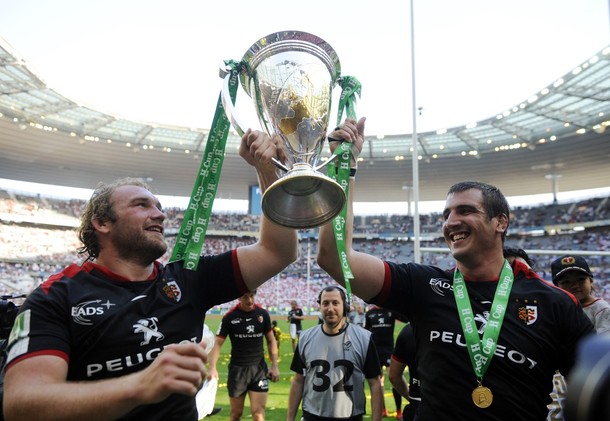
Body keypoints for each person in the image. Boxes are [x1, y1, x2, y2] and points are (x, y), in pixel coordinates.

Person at [2, 129, 298, 421]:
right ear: (102, 222)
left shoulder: (189, 279)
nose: (160, 214)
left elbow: (277, 252)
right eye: (141, 205)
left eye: (158, 207)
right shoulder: (55, 297)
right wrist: (140, 386)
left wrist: (267, 173)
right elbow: (21, 404)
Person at [316, 117, 595, 420]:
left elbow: (595, 391)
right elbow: (335, 258)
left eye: (465, 211)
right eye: (446, 214)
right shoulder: (424, 286)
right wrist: (342, 169)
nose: (451, 222)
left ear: (500, 222)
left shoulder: (555, 303)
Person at [287, 286, 383, 421]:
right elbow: (298, 380)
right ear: (320, 307)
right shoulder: (305, 338)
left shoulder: (364, 339)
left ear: (345, 306)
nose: (330, 308)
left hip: (350, 416)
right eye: (325, 303)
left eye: (335, 303)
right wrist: (290, 418)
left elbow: (375, 384)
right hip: (312, 415)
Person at [208, 290, 279, 421]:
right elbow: (217, 343)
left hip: (259, 370)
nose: (250, 300)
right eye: (245, 297)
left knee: (258, 414)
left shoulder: (262, 314)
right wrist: (212, 367)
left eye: (252, 296)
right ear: (239, 298)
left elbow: (271, 340)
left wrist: (274, 365)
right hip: (238, 371)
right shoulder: (230, 317)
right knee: (236, 414)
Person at [551, 255, 610, 334]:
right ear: (557, 287)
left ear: (591, 281)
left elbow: (604, 340)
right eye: (566, 282)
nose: (574, 286)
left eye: (580, 279)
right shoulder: (555, 310)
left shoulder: (602, 309)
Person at [364, 305, 405, 419]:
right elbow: (366, 332)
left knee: (395, 379)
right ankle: (383, 410)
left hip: (389, 351)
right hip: (375, 352)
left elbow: (405, 319)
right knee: (378, 382)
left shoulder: (391, 311)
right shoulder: (370, 313)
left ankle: (399, 411)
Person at [389, 323, 421, 421]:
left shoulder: (408, 330)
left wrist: (410, 396)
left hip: (417, 404)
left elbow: (394, 376)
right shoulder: (458, 327)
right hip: (451, 406)